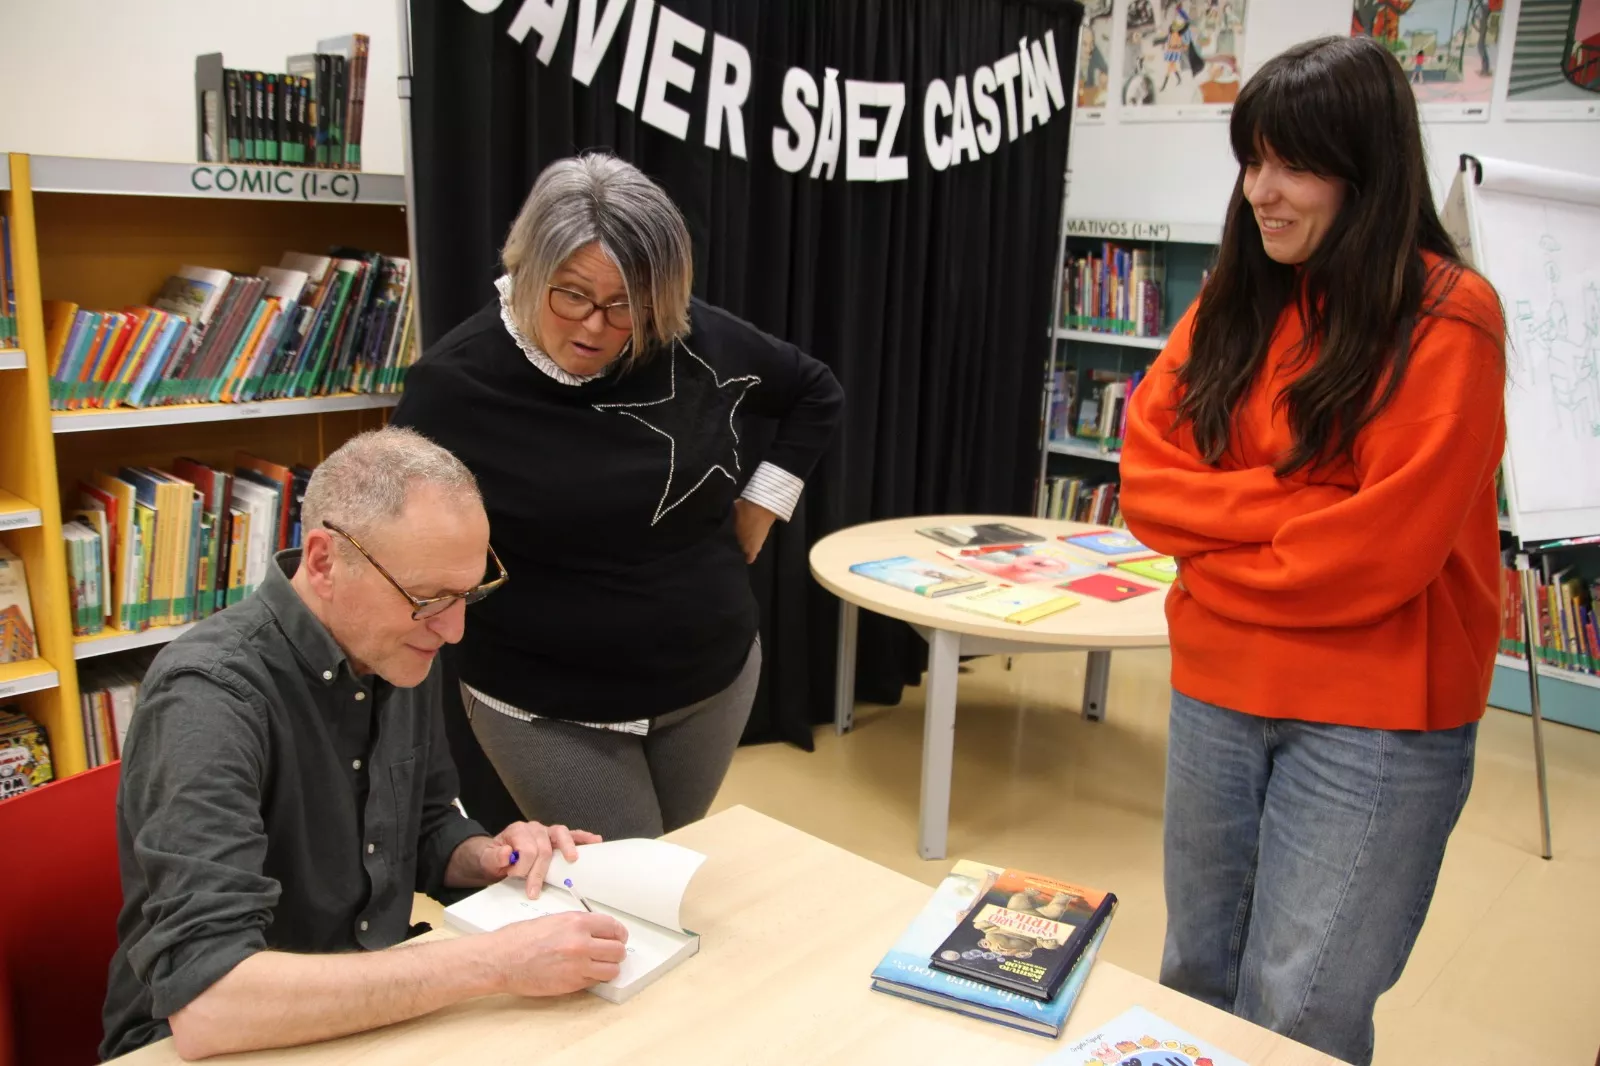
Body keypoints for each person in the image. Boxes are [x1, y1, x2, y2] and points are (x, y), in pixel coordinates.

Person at [1117, 35, 1505, 1066]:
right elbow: (1148, 483)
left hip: (1373, 712)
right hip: (1214, 692)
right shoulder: (1238, 299)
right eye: (1251, 161)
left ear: (1366, 170)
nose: (1261, 192)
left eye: (1292, 164)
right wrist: (1308, 497)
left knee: (1302, 1008)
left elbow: (1382, 551)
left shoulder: (1446, 316)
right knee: (1195, 975)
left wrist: (1218, 537)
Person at [100, 427, 629, 1061]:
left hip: (369, 1011)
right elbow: (212, 1001)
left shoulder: (394, 645)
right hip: (220, 1042)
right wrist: (493, 963)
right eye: (430, 598)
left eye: (467, 595)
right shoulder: (207, 698)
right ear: (324, 561)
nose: (454, 630)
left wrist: (489, 856)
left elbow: (426, 823)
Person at [392, 153, 843, 840]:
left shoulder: (685, 335)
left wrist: (761, 506)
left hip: (710, 681)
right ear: (528, 270)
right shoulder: (455, 385)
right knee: (625, 892)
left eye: (627, 303)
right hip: (547, 703)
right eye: (571, 294)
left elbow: (815, 391)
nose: (597, 327)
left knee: (658, 872)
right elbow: (396, 529)